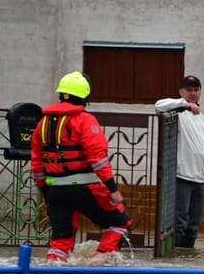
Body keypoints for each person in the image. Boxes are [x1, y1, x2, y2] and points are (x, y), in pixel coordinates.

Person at [30, 71, 132, 263]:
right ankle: (99, 264)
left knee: (60, 243)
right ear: (85, 95)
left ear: (61, 94)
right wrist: (113, 190)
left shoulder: (42, 123)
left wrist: (46, 193)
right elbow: (99, 160)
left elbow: (36, 164)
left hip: (55, 191)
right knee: (121, 224)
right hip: (85, 188)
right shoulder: (85, 120)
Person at [154, 75, 204, 249]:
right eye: (189, 90)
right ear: (181, 92)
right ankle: (175, 263)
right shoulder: (176, 111)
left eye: (196, 90)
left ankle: (187, 261)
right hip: (182, 177)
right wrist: (184, 104)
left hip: (199, 180)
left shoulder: (202, 118)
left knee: (193, 226)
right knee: (179, 223)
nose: (193, 93)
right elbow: (158, 105)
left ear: (200, 92)